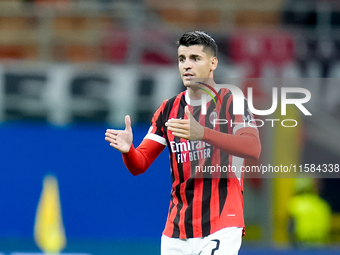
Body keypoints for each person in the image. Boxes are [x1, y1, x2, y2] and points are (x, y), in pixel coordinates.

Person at [105, 31, 261, 255]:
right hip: (176, 230)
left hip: (221, 223)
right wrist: (129, 150)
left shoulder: (231, 100)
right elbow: (139, 165)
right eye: (182, 59)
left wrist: (203, 133)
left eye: (195, 58)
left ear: (213, 63)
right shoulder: (168, 109)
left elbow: (253, 148)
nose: (187, 65)